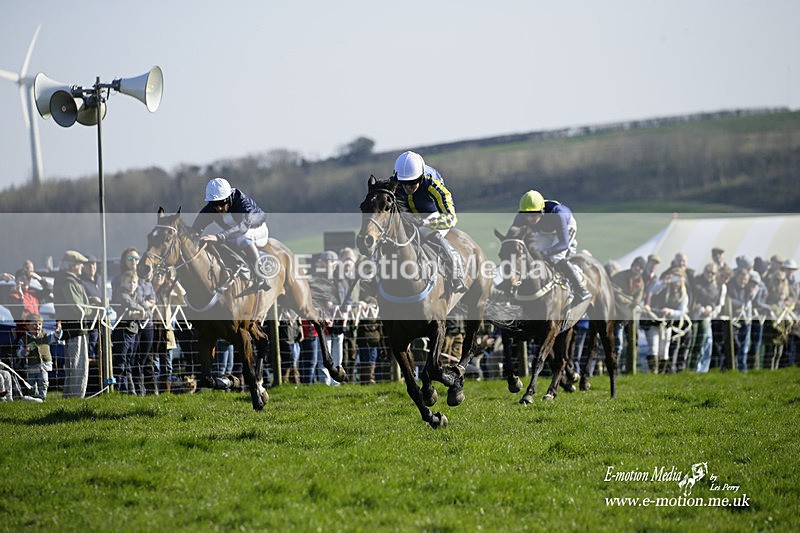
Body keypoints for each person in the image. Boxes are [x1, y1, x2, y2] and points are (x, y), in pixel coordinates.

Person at [391, 151, 467, 294]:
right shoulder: (395, 182)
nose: (408, 188)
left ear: (421, 177)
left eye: (413, 183)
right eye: (404, 184)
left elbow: (451, 218)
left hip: (432, 215)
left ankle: (457, 276)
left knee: (431, 236)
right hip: (409, 218)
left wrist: (427, 223)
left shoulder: (432, 182)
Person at [191, 177, 271, 291]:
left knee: (242, 237)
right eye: (214, 204)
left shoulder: (242, 202)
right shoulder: (212, 208)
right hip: (235, 234)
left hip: (256, 230)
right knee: (213, 241)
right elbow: (196, 228)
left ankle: (261, 275)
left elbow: (243, 228)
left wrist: (219, 237)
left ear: (228, 198)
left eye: (221, 203)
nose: (218, 208)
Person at [512, 189, 590, 306]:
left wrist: (545, 253)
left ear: (542, 210)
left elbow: (563, 244)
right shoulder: (520, 217)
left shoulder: (557, 213)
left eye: (534, 214)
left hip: (565, 227)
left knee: (556, 258)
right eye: (527, 215)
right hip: (544, 231)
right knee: (534, 258)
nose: (530, 218)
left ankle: (581, 289)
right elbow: (513, 238)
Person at [53, 250, 92, 398]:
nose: (82, 267)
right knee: (78, 366)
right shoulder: (68, 281)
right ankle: (76, 398)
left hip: (72, 328)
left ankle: (70, 398)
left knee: (73, 365)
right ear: (72, 265)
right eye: (79, 264)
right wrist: (95, 311)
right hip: (76, 328)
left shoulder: (64, 279)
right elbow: (76, 307)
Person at [112, 271, 147, 394]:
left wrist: (139, 313)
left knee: (128, 361)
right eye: (129, 282)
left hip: (133, 331)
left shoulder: (137, 296)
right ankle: (118, 388)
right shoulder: (121, 294)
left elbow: (148, 311)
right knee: (120, 361)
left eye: (134, 282)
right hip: (123, 331)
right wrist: (140, 310)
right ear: (123, 283)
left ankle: (128, 390)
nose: (131, 285)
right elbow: (127, 302)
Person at [16, 313, 62, 400]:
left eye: (39, 324)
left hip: (44, 365)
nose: (37, 326)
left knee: (44, 382)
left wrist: (58, 330)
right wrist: (24, 352)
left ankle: (42, 397)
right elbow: (18, 353)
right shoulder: (24, 339)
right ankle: (33, 397)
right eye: (34, 324)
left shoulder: (45, 336)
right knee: (31, 383)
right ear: (27, 326)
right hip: (31, 366)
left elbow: (56, 337)